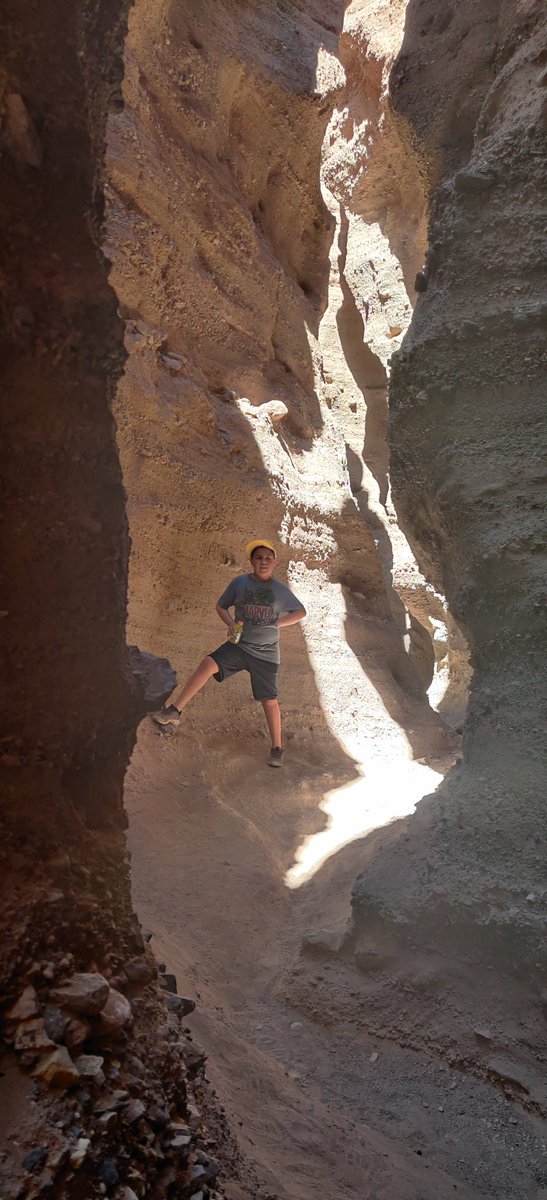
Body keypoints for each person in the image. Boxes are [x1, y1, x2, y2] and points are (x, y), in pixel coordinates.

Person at [152, 539, 306, 767]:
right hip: (239, 646)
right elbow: (221, 606)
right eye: (258, 558)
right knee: (208, 664)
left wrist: (277, 623)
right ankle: (175, 711)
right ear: (251, 561)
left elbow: (301, 612)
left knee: (269, 699)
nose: (263, 562)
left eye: (268, 558)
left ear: (275, 562)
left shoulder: (279, 590)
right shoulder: (240, 583)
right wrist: (231, 623)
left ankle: (277, 748)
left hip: (265, 654)